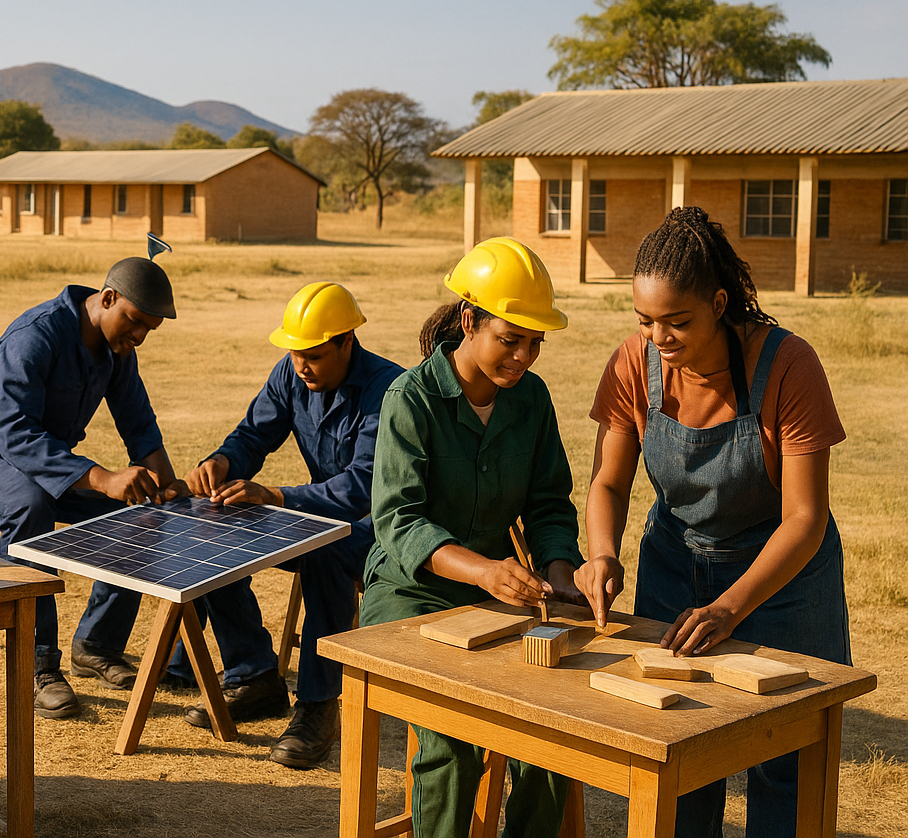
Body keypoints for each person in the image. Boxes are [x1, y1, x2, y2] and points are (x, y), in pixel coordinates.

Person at [575, 207, 849, 838]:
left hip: (782, 579)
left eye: (678, 322)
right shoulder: (631, 364)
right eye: (645, 322)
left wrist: (729, 608)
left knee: (786, 760)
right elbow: (608, 482)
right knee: (679, 750)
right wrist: (602, 555)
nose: (659, 339)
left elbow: (805, 519)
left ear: (720, 303)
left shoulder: (787, 365)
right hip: (675, 565)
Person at [363, 237, 581, 838]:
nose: (524, 358)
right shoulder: (410, 400)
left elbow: (548, 505)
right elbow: (399, 522)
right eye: (510, 339)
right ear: (468, 320)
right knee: (453, 739)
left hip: (497, 597)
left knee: (558, 731)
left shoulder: (531, 401)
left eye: (535, 343)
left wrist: (561, 576)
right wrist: (485, 570)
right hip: (410, 595)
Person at [0, 256, 185, 718]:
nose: (138, 337)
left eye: (148, 330)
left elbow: (140, 427)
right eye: (134, 322)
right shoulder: (36, 335)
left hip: (56, 465)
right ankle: (36, 665)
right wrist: (102, 478)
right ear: (108, 298)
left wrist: (169, 488)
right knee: (31, 506)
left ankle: (97, 643)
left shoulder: (117, 352)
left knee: (140, 510)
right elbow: (14, 433)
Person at [180, 281, 403, 768]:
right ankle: (255, 674)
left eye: (315, 355)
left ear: (348, 341)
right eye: (296, 353)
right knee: (218, 525)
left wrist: (276, 496)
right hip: (323, 518)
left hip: (390, 533)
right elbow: (252, 435)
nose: (302, 365)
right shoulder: (291, 372)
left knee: (326, 553)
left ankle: (320, 707)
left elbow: (363, 487)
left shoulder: (389, 390)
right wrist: (222, 461)